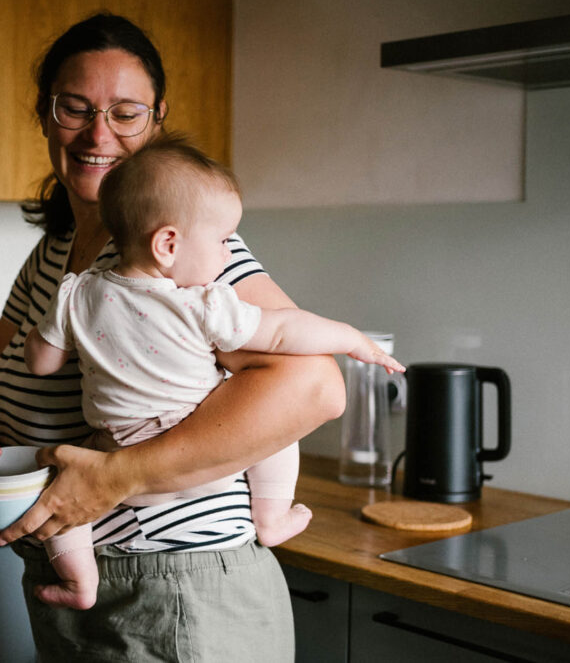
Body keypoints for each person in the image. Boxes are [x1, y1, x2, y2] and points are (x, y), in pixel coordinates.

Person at [0, 12, 346, 661]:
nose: (97, 132)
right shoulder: (53, 256)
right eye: (75, 107)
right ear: (46, 116)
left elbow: (316, 385)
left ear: (157, 122)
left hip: (179, 599)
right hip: (77, 586)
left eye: (125, 112)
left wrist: (117, 476)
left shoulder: (182, 254)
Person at [22, 134, 404, 610]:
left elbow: (40, 363)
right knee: (279, 436)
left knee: (59, 482)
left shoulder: (77, 294)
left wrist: (50, 330)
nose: (228, 255)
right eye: (223, 241)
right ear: (167, 244)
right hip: (196, 463)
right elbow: (283, 334)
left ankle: (80, 581)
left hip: (114, 452)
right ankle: (272, 517)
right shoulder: (201, 304)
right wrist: (351, 338)